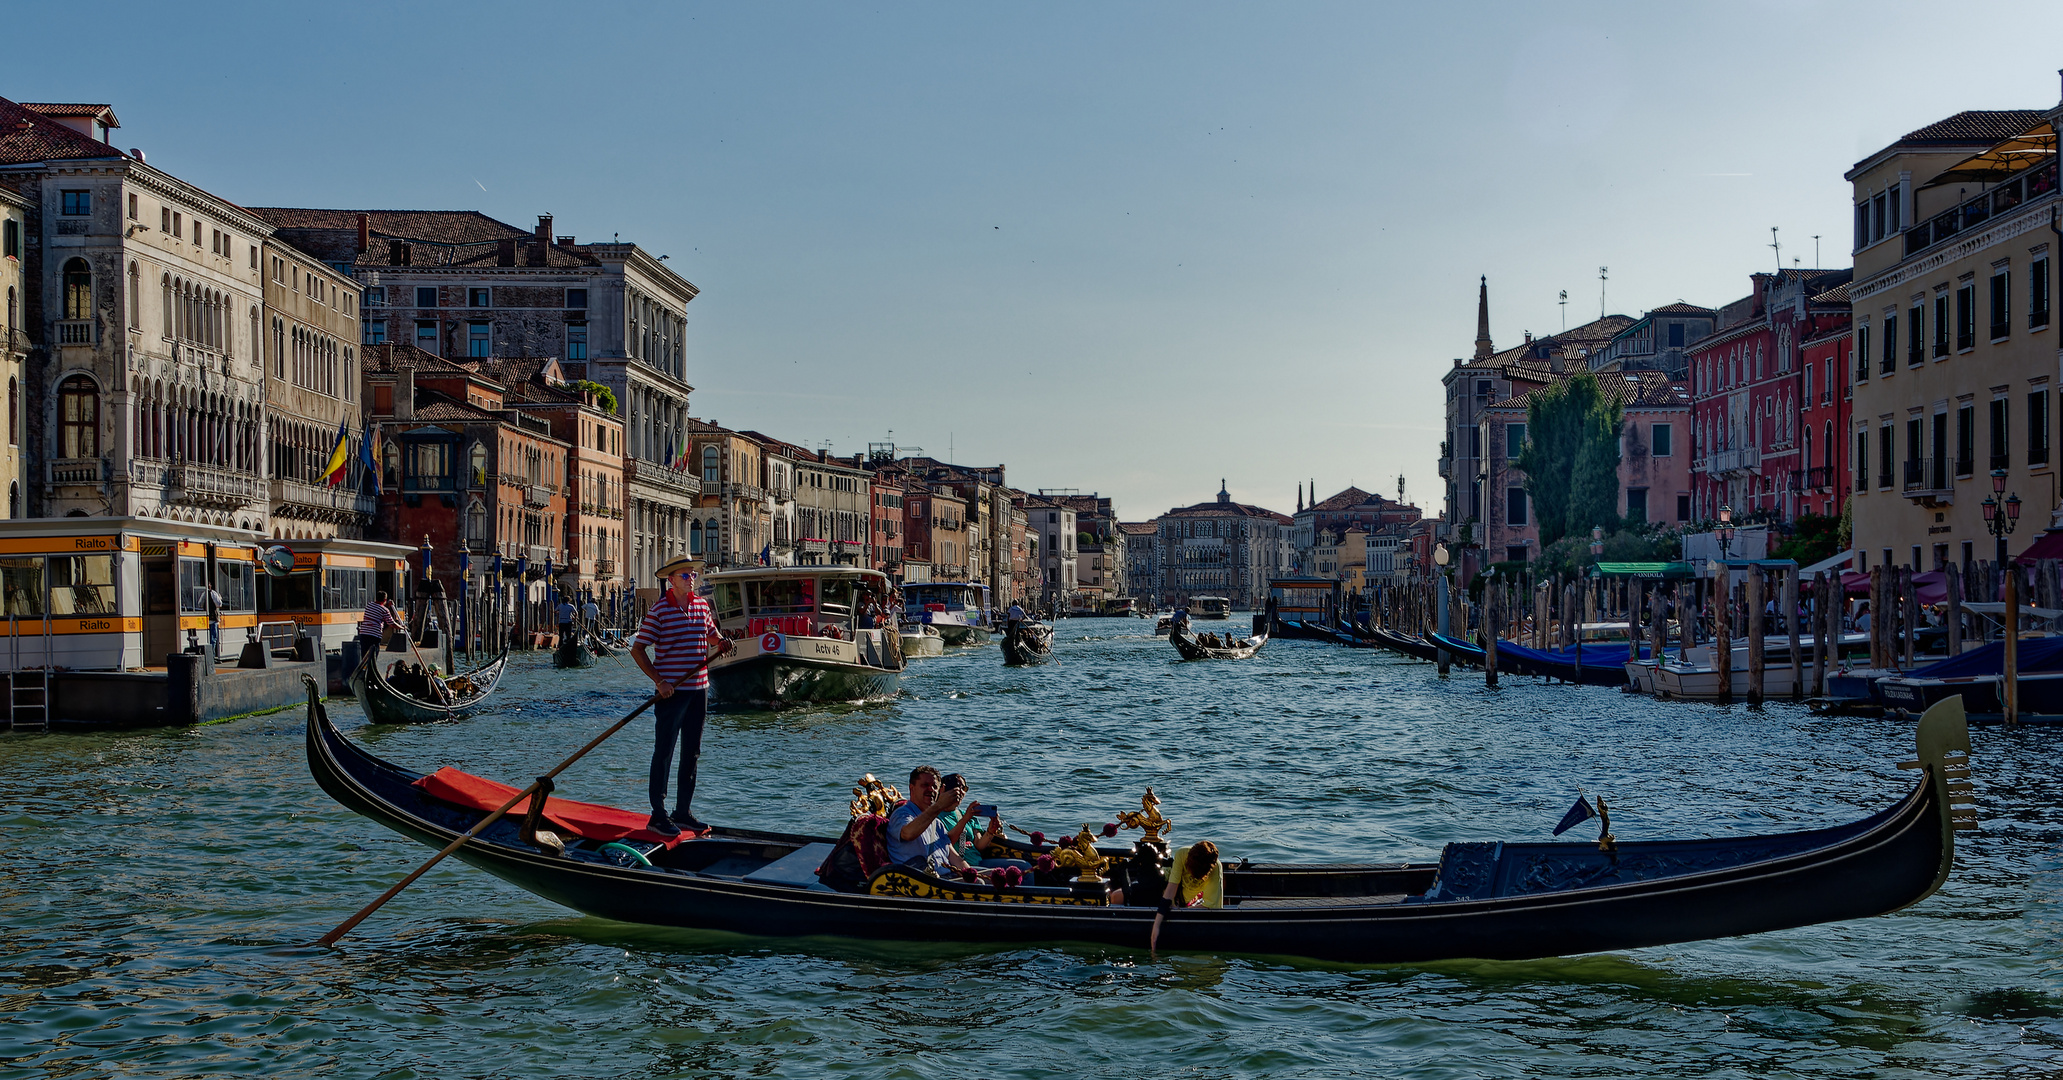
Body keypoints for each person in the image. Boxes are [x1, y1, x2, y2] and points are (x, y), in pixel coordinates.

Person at [632, 556, 735, 836]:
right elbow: (638, 649)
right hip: (672, 692)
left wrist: (722, 643)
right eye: (686, 575)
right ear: (672, 580)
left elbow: (711, 636)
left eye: (693, 575)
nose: (692, 579)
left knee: (692, 752)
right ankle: (658, 814)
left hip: (699, 689)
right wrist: (659, 680)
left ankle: (682, 812)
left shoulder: (702, 606)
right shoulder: (660, 610)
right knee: (664, 752)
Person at [886, 766, 987, 879]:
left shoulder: (936, 823)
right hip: (919, 880)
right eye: (925, 785)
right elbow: (908, 834)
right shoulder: (902, 814)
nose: (931, 789)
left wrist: (972, 875)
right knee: (981, 883)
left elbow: (955, 858)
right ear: (912, 788)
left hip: (944, 876)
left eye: (934, 786)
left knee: (990, 878)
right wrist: (938, 806)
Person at [1149, 840, 1224, 952]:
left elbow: (1210, 906)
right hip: (1181, 893)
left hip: (1200, 900)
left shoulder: (1215, 868)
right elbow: (1170, 890)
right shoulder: (1182, 854)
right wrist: (1156, 926)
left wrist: (1181, 911)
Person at [356, 593, 404, 671]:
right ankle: (370, 672)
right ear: (385, 600)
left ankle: (365, 671)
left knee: (364, 656)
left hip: (364, 634)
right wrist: (402, 627)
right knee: (373, 657)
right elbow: (391, 623)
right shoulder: (384, 610)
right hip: (374, 636)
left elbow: (377, 609)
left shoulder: (369, 605)